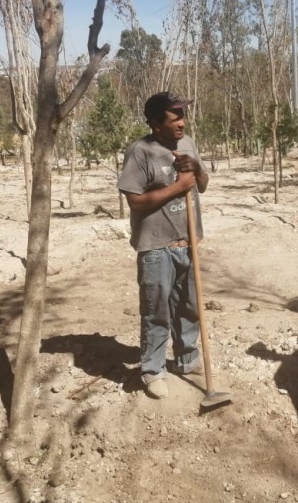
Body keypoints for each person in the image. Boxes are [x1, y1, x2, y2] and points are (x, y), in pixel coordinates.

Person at [117, 91, 210, 400]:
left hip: (188, 241)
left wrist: (195, 169)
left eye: (182, 117)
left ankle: (187, 360)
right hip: (156, 246)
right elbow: (135, 202)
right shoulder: (140, 151)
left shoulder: (187, 144)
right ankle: (153, 370)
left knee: (189, 307)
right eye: (174, 119)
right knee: (156, 312)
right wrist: (178, 187)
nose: (182, 123)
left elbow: (202, 185)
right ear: (156, 124)